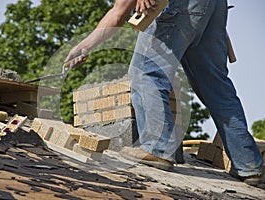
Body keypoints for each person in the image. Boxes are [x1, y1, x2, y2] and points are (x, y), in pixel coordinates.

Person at [65, 0, 263, 186]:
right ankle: (248, 165)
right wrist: (83, 47)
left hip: (180, 5)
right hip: (213, 7)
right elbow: (118, 13)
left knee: (147, 72)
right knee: (216, 87)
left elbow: (119, 13)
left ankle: (157, 148)